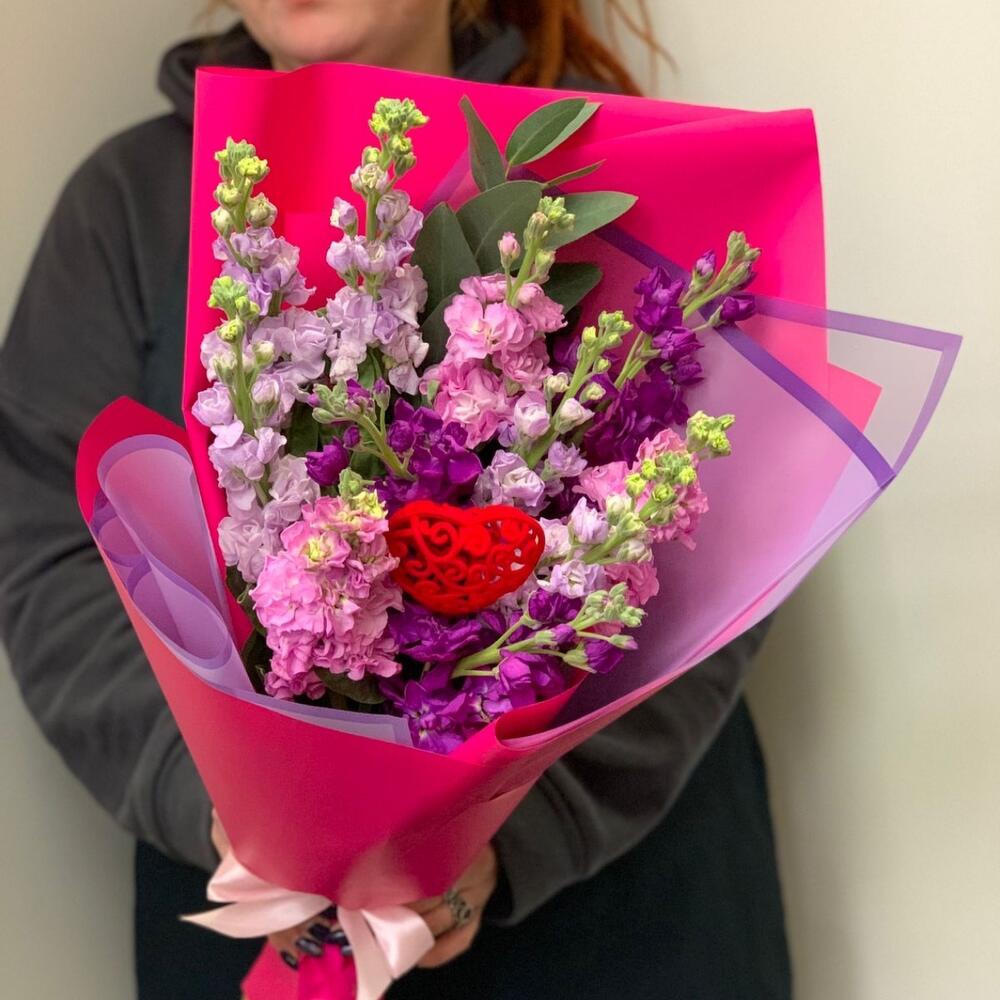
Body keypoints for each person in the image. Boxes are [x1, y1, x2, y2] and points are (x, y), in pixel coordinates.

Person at [0, 2, 790, 997]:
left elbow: (720, 557)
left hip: (604, 923)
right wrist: (224, 801)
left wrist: (511, 838)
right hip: (254, 909)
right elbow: (47, 550)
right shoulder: (129, 200)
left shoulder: (615, 177)